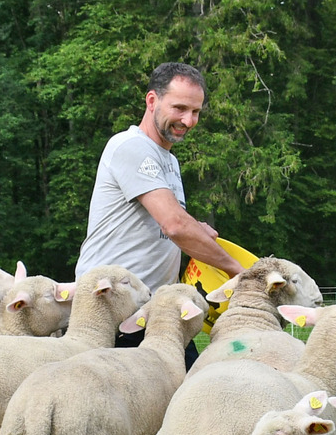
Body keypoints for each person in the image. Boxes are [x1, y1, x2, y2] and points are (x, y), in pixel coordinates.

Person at [76, 62, 243, 357]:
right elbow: (174, 225)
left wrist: (195, 228)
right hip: (111, 309)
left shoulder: (169, 160)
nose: (188, 120)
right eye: (179, 108)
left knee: (190, 381)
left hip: (155, 310)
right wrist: (237, 271)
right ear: (152, 100)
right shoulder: (130, 146)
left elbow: (167, 221)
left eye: (196, 112)